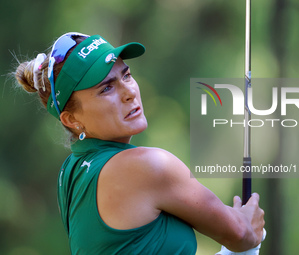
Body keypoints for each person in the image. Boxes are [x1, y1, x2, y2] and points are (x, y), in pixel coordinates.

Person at [14, 32, 265, 254]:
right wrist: (245, 229)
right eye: (106, 88)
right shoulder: (148, 166)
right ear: (72, 119)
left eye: (127, 75)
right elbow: (241, 234)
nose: (129, 92)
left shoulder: (70, 172)